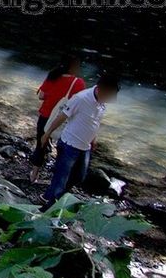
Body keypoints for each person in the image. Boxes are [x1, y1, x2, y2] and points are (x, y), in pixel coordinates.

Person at [40, 71, 121, 207]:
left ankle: (48, 196)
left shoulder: (101, 102)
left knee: (79, 177)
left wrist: (93, 138)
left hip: (85, 146)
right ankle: (50, 208)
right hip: (69, 144)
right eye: (110, 94)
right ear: (101, 89)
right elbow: (62, 116)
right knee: (61, 179)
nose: (111, 98)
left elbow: (94, 121)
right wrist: (47, 133)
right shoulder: (81, 98)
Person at [29, 54, 86, 183]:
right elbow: (80, 104)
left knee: (40, 145)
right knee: (62, 149)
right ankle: (56, 179)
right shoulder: (78, 83)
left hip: (45, 116)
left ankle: (34, 175)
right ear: (73, 67)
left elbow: (41, 96)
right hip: (63, 120)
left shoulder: (52, 76)